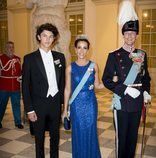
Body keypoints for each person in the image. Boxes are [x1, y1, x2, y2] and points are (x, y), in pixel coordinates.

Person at [102, 1, 151, 158]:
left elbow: (146, 78)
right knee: (121, 138)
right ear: (123, 35)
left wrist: (145, 93)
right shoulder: (114, 55)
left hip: (137, 103)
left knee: (132, 138)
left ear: (136, 35)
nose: (130, 36)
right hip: (122, 102)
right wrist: (125, 89)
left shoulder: (141, 55)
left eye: (133, 33)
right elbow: (106, 80)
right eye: (127, 33)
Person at [22, 23, 65, 158]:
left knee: (55, 138)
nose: (48, 39)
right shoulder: (29, 59)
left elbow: (62, 82)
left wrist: (64, 106)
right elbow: (25, 86)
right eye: (45, 36)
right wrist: (29, 109)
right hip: (38, 105)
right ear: (39, 37)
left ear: (54, 39)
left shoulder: (60, 57)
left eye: (51, 36)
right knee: (39, 139)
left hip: (55, 103)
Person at [62, 34, 104, 158]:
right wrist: (65, 110)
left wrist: (111, 82)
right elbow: (67, 89)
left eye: (85, 48)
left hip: (91, 104)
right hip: (76, 105)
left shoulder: (94, 66)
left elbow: (97, 85)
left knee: (91, 131)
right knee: (78, 132)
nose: (81, 51)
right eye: (79, 47)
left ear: (88, 50)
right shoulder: (70, 68)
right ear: (75, 49)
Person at [0, 41, 23, 129]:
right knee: (2, 105)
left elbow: (20, 72)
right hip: (4, 86)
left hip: (15, 86)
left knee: (16, 104)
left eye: (12, 47)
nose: (11, 49)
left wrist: (21, 77)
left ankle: (18, 122)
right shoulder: (1, 59)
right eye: (9, 47)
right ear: (5, 48)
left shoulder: (18, 59)